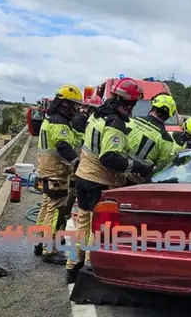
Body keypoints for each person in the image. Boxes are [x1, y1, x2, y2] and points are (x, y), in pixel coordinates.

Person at [65, 78, 152, 284]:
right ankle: (89, 271)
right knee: (96, 228)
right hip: (99, 182)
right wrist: (136, 167)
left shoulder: (98, 114)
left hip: (82, 177)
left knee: (83, 225)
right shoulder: (116, 124)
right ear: (130, 104)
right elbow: (109, 157)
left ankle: (72, 268)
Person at [34, 84, 83, 263]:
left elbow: (68, 140)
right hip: (57, 173)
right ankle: (50, 249)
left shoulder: (51, 119)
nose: (75, 109)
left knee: (46, 206)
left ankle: (40, 242)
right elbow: (63, 145)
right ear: (65, 104)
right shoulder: (59, 123)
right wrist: (76, 161)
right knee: (56, 211)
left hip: (47, 171)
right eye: (73, 105)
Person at [126, 93, 179, 182]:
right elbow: (161, 170)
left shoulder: (131, 121)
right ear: (169, 115)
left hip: (115, 174)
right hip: (136, 183)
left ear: (153, 106)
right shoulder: (165, 139)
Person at [66, 95, 103, 219]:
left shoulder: (84, 119)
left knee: (75, 187)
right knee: (72, 187)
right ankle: (67, 212)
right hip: (77, 156)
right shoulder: (82, 120)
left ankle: (69, 211)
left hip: (78, 156)